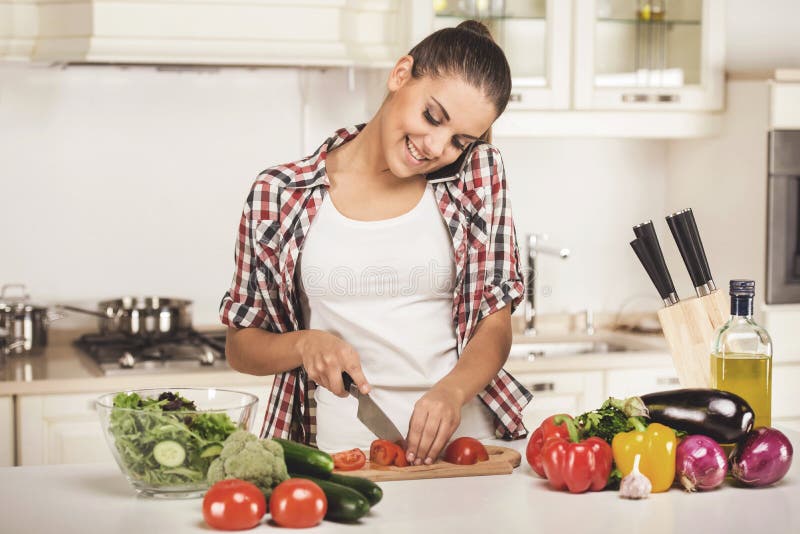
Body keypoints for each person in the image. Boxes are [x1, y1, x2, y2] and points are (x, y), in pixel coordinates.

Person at [220, 20, 531, 466]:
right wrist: (304, 344)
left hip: (465, 451)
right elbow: (241, 344)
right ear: (400, 74)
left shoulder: (477, 175)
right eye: (432, 116)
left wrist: (452, 391)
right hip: (341, 452)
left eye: (460, 140)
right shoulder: (281, 194)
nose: (436, 146)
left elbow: (496, 324)